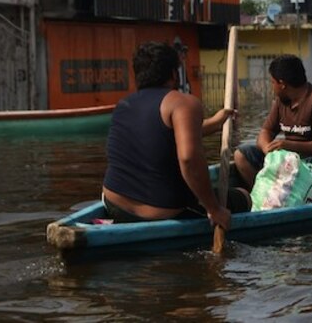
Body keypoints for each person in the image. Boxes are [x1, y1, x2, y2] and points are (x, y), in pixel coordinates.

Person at [102, 42, 247, 227]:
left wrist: (217, 122)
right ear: (173, 74)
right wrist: (214, 209)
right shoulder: (184, 103)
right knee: (243, 196)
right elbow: (188, 159)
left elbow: (167, 135)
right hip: (162, 213)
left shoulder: (123, 105)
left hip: (114, 204)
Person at [233, 55, 312, 190]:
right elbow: (266, 131)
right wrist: (268, 150)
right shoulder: (281, 101)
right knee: (241, 155)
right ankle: (262, 194)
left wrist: (288, 145)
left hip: (309, 159)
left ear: (282, 84)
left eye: (272, 82)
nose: (272, 87)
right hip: (286, 157)